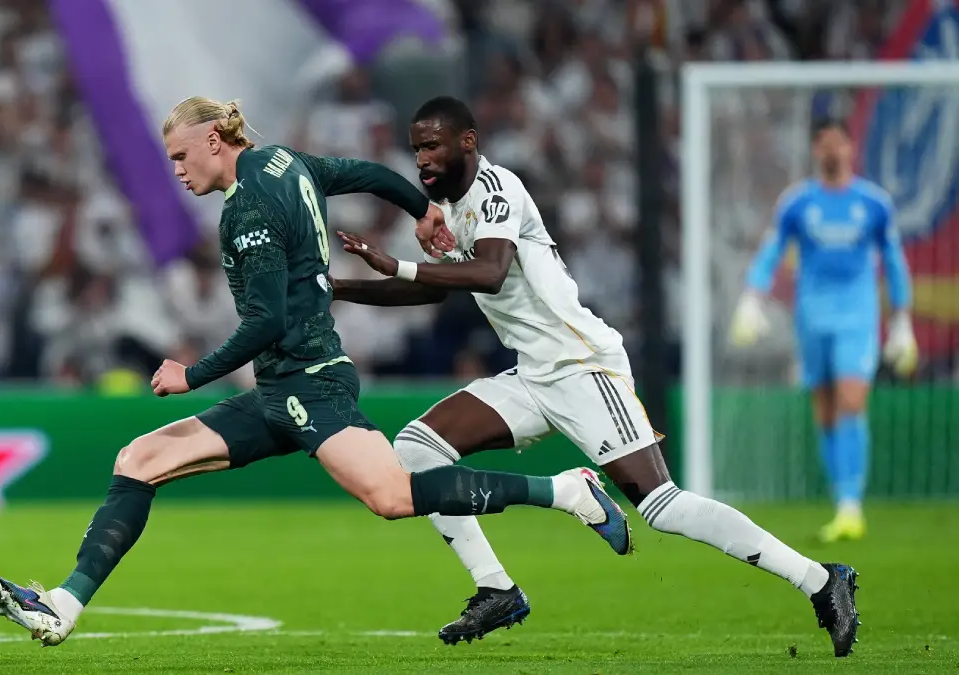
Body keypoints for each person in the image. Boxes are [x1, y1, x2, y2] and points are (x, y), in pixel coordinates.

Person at [0, 96, 631, 647]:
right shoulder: (282, 161)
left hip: (309, 385)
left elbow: (266, 319)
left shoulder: (248, 210)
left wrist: (193, 373)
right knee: (139, 459)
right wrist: (421, 210)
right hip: (279, 388)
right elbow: (366, 173)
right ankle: (62, 605)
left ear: (214, 139)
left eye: (182, 156)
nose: (177, 170)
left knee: (394, 496)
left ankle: (566, 491)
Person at [332, 96, 860, 657]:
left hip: (583, 366)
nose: (422, 159)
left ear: (468, 140)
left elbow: (489, 273)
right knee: (416, 449)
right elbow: (432, 286)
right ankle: (496, 588)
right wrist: (344, 289)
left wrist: (399, 264)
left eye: (432, 145)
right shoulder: (450, 205)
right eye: (416, 149)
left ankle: (822, 581)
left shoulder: (495, 191)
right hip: (534, 373)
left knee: (661, 505)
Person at [730, 118, 915, 542]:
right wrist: (752, 298)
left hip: (857, 317)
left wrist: (902, 320)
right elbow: (772, 249)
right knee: (826, 410)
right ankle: (841, 501)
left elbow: (893, 258)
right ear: (816, 150)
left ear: (850, 148)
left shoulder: (872, 203)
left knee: (852, 401)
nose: (832, 151)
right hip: (811, 317)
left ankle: (852, 506)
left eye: (838, 144)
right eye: (824, 144)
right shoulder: (798, 203)